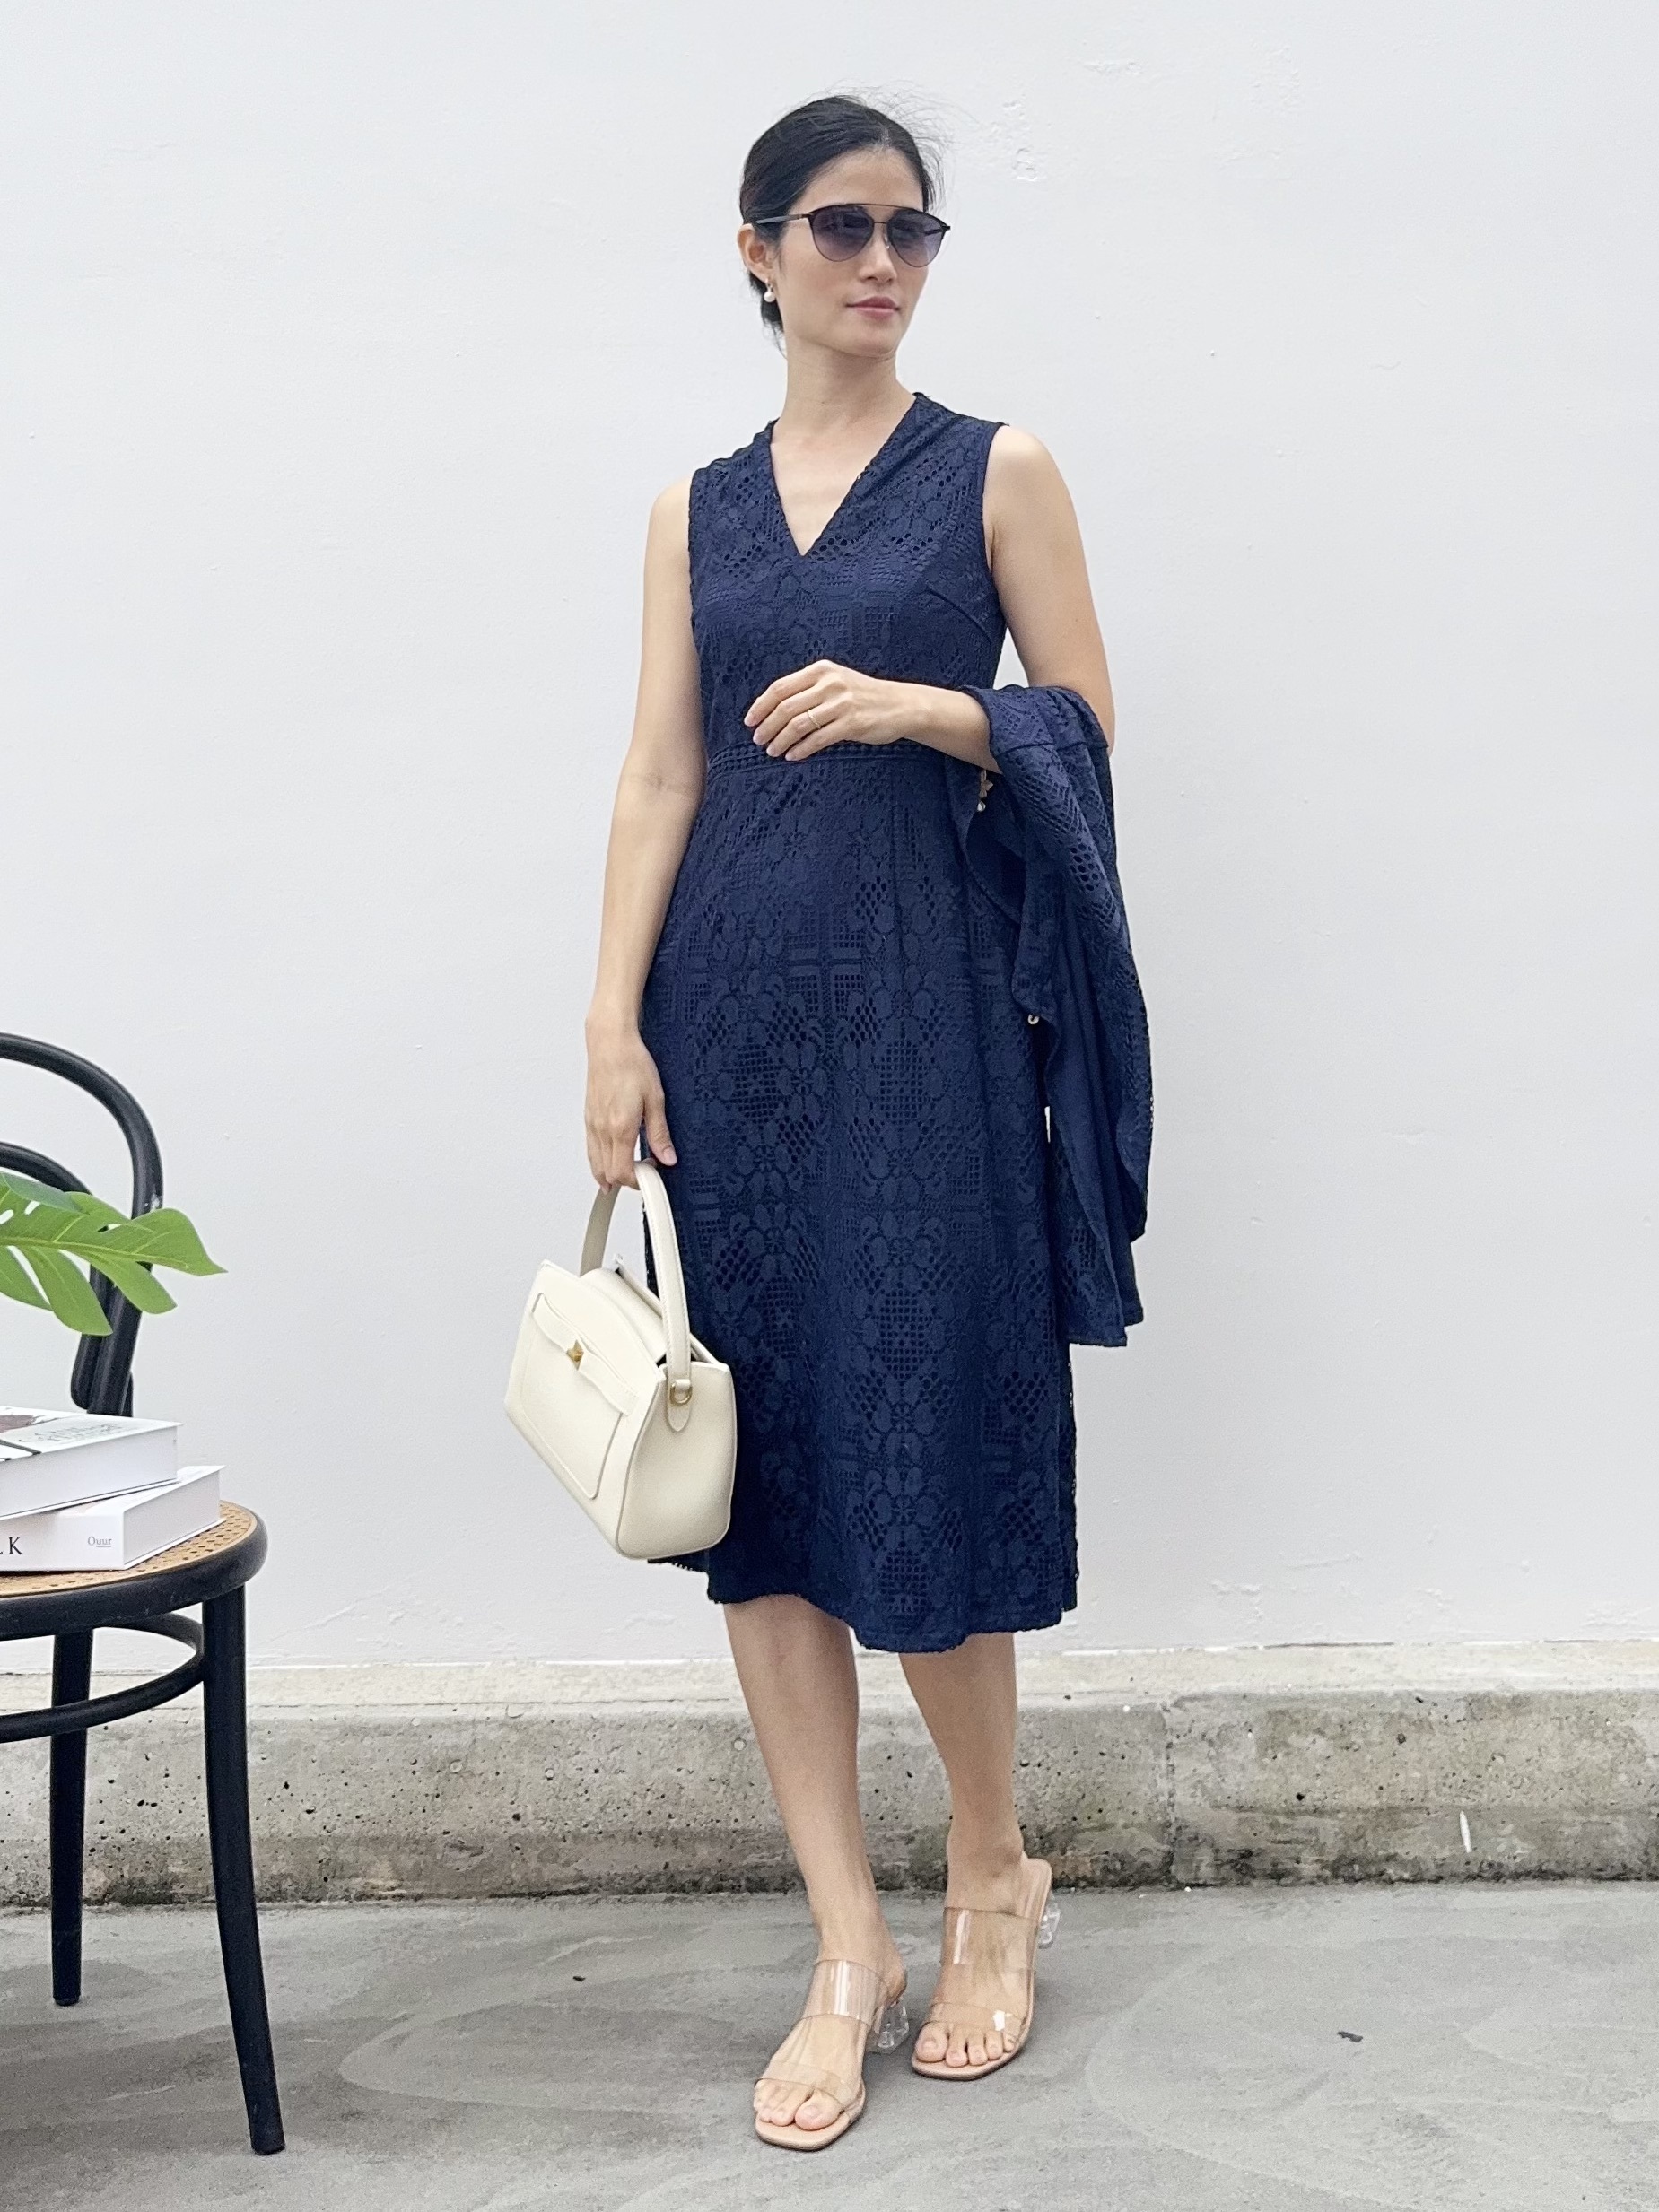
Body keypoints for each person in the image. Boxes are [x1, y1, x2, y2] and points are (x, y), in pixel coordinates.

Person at [582, 92, 1130, 2151]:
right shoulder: (692, 511)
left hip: (924, 1033)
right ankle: (845, 1943)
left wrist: (925, 706)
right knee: (767, 1491)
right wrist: (608, 1024)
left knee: (927, 1448)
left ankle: (992, 1874)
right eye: (839, 226)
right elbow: (661, 775)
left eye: (912, 229)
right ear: (757, 251)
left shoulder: (996, 470)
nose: (881, 260)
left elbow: (1084, 723)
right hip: (729, 1038)